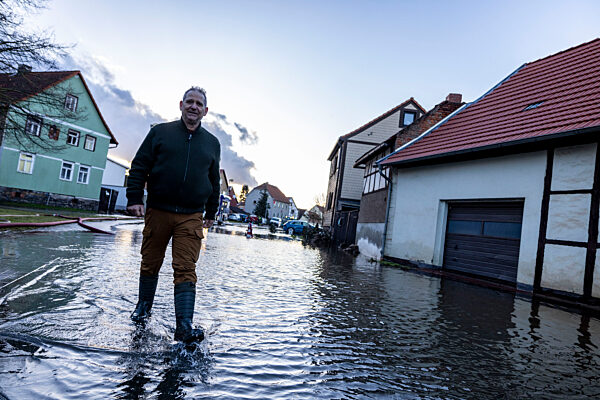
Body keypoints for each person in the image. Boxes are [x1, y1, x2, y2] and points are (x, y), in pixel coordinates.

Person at [126, 86, 220, 344]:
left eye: (198, 104)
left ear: (205, 111)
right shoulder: (160, 133)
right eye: (189, 102)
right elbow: (139, 166)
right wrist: (134, 198)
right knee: (150, 261)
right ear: (181, 105)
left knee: (186, 267)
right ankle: (143, 309)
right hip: (158, 210)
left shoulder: (212, 143)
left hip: (191, 215)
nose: (193, 106)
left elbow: (214, 181)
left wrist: (211, 211)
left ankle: (184, 326)